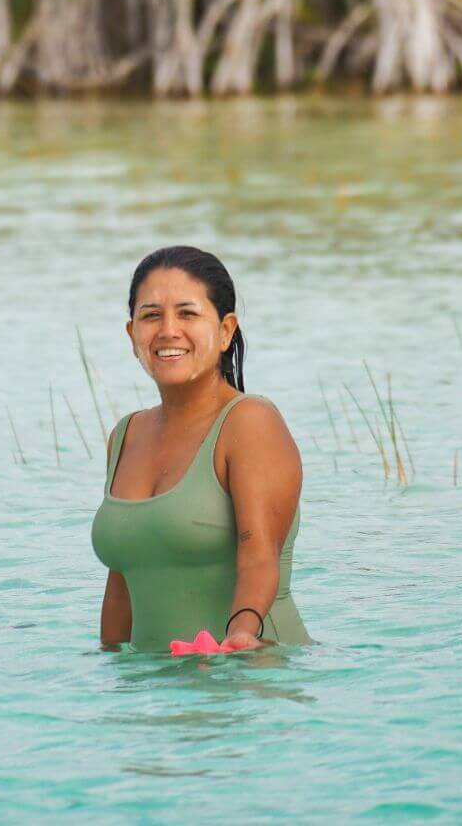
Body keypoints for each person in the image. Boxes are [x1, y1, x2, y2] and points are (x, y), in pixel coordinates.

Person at [91, 245, 312, 653]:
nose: (168, 330)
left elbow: (260, 554)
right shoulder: (126, 434)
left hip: (245, 681)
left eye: (188, 313)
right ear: (131, 334)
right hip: (154, 695)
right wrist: (110, 674)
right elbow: (121, 585)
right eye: (151, 315)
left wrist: (240, 633)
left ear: (226, 330)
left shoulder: (249, 422)